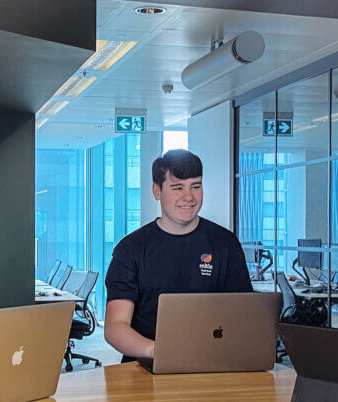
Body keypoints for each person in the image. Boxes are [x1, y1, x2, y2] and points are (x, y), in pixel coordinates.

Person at [104, 149, 253, 361]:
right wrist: (160, 352)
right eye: (177, 187)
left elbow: (243, 316)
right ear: (157, 191)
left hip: (212, 364)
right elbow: (115, 326)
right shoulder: (131, 249)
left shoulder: (225, 244)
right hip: (145, 367)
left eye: (196, 186)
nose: (189, 197)